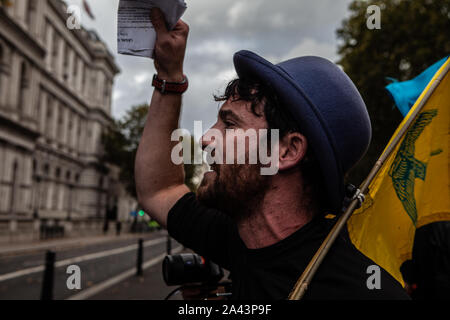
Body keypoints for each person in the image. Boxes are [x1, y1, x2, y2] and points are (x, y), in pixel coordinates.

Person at [135, 8, 410, 300]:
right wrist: (168, 76)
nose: (205, 139)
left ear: (287, 151)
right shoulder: (240, 238)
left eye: (229, 124)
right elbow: (159, 189)